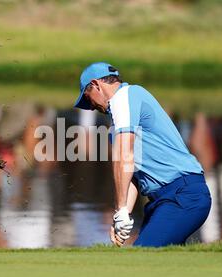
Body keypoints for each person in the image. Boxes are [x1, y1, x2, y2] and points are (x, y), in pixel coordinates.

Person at [73, 62, 211, 247]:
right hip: (167, 199)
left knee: (142, 256)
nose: (91, 107)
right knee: (159, 264)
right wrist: (121, 214)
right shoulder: (118, 120)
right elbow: (133, 175)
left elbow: (124, 157)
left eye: (88, 99)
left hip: (183, 194)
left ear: (96, 84)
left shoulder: (124, 97)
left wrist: (121, 209)